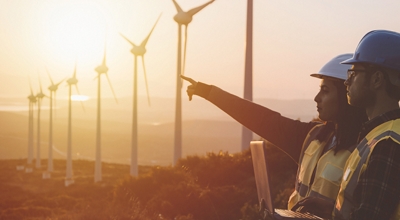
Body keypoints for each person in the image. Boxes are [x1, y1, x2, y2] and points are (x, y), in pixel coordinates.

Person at [181, 53, 368, 217]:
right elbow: (261, 119)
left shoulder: (367, 149)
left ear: (346, 96)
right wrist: (208, 92)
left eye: (325, 91)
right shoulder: (311, 137)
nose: (316, 98)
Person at [293, 30, 400, 220]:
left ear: (377, 79)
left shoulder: (388, 143)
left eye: (354, 73)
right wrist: (333, 211)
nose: (347, 81)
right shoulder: (375, 136)